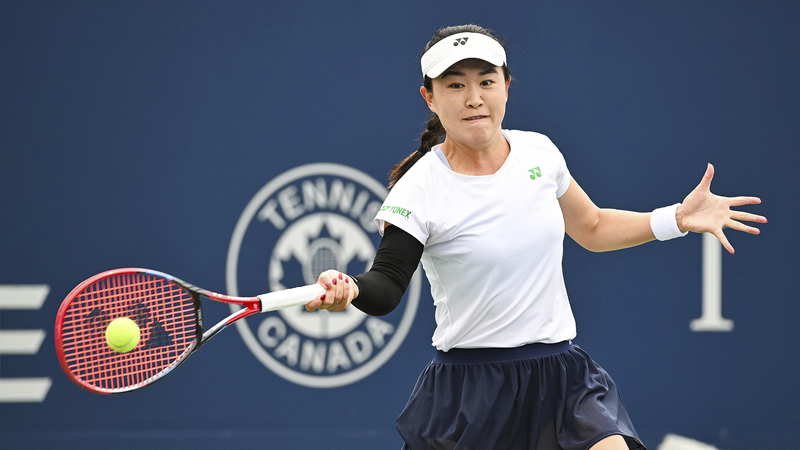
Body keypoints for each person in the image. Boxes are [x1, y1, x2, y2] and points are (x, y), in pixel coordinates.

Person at [305, 24, 766, 450]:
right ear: (430, 97)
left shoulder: (539, 152)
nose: (473, 98)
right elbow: (386, 284)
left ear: (507, 86)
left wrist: (676, 219)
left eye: (486, 81)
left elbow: (592, 227)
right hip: (470, 391)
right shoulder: (419, 187)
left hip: (562, 378)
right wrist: (352, 289)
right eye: (455, 85)